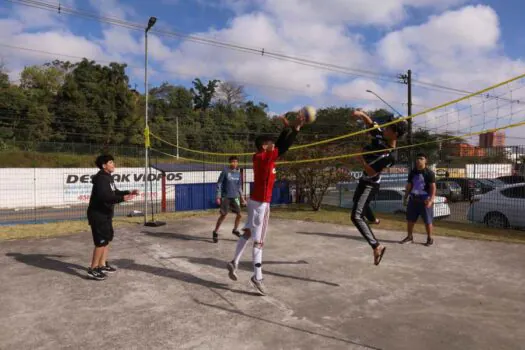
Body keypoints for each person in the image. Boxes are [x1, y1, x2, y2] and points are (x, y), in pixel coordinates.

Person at [226, 113, 306, 295]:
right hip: (261, 204)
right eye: (269, 143)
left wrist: (287, 128)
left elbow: (279, 145)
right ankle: (257, 277)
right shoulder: (264, 157)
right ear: (264, 146)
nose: (273, 145)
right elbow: (284, 146)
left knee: (247, 232)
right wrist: (295, 129)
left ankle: (234, 262)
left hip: (254, 201)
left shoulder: (261, 156)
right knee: (259, 241)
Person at [350, 110, 407, 265]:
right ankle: (373, 219)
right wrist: (361, 114)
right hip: (364, 180)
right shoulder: (382, 134)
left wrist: (361, 158)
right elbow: (370, 124)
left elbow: (371, 170)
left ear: (395, 134)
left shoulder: (390, 155)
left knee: (355, 216)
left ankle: (377, 246)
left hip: (371, 183)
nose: (385, 128)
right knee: (357, 201)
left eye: (389, 128)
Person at [87, 155, 138, 280]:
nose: (113, 164)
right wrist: (122, 198)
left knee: (107, 238)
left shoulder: (108, 177)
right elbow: (104, 197)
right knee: (100, 242)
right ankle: (93, 269)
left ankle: (102, 264)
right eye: (110, 162)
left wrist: (128, 192)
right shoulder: (101, 179)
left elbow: (114, 192)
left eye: (113, 162)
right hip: (98, 214)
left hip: (106, 214)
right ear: (104, 166)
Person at [400, 153, 436, 246]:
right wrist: (405, 197)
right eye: (417, 158)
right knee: (410, 220)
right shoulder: (413, 172)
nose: (418, 160)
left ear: (425, 161)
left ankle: (429, 238)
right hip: (413, 200)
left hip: (425, 201)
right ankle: (409, 237)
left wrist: (431, 200)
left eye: (421, 158)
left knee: (428, 221)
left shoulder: (429, 173)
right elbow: (409, 185)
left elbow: (433, 188)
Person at [213, 156, 246, 243]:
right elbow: (219, 183)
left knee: (239, 215)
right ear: (230, 163)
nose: (234, 163)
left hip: (235, 197)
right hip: (226, 197)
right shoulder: (225, 171)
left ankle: (235, 230)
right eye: (232, 162)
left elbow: (239, 187)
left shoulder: (238, 174)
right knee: (223, 215)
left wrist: (242, 198)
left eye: (236, 162)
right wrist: (218, 196)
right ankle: (215, 232)